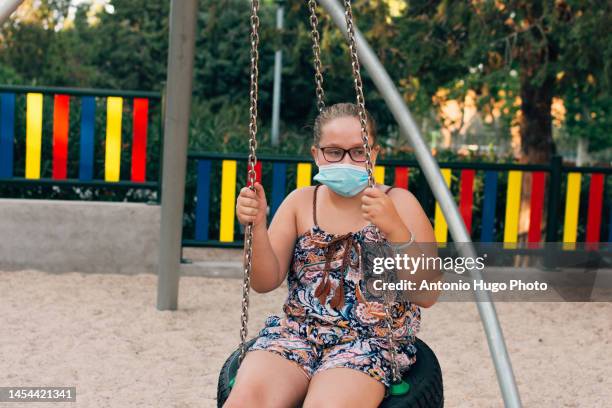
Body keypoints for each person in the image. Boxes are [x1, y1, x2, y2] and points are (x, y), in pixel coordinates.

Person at [225, 103, 440, 408]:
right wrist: (256, 227)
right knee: (245, 402)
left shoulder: (399, 204)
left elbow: (428, 294)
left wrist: (395, 230)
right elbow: (263, 282)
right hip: (298, 333)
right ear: (316, 154)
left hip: (369, 342)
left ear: (374, 154)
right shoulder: (300, 203)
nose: (347, 161)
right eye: (334, 152)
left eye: (358, 151)